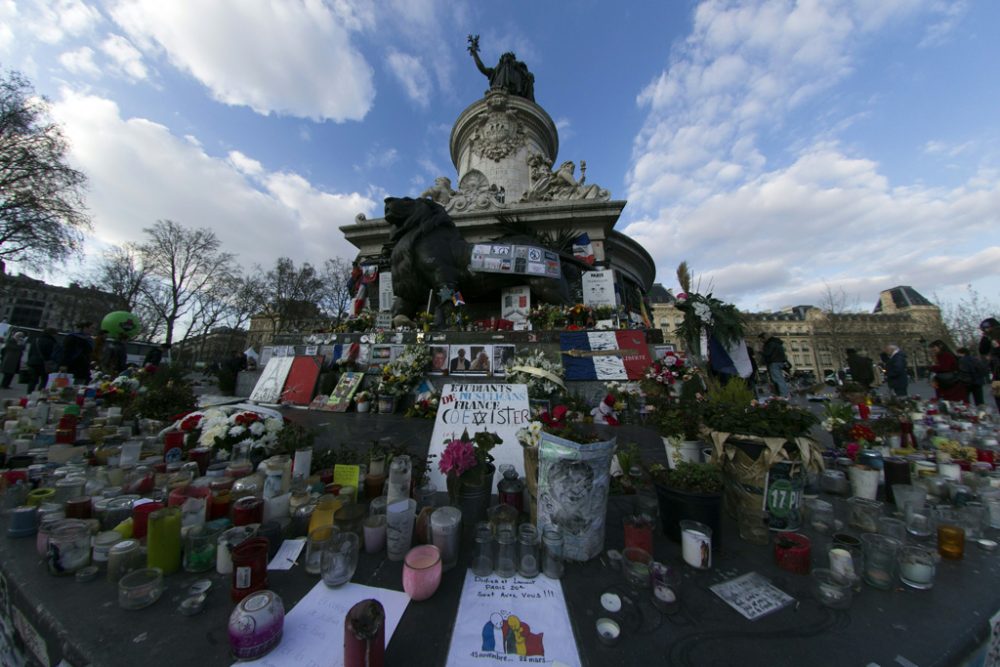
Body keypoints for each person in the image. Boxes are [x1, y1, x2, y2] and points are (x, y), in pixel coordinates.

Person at [26, 328, 59, 392]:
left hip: (33, 362)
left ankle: (29, 394)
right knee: (44, 380)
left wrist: (29, 361)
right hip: (45, 364)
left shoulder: (36, 340)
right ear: (52, 334)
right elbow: (52, 354)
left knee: (33, 380)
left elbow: (30, 352)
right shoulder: (52, 342)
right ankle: (40, 394)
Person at [759, 333, 789, 398]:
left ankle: (784, 394)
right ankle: (784, 393)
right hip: (780, 362)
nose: (761, 341)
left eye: (761, 339)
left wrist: (761, 351)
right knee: (780, 378)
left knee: (777, 379)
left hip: (774, 362)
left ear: (764, 337)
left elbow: (767, 353)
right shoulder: (777, 343)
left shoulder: (770, 344)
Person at [980, 318, 1000, 411]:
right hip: (996, 371)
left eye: (986, 329)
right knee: (997, 394)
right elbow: (983, 350)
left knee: (998, 395)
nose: (985, 331)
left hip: (997, 371)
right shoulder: (989, 338)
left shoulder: (995, 335)